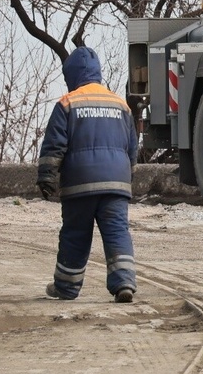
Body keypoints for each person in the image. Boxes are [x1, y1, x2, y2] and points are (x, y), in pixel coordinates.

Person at [37, 46, 140, 303]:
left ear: (71, 75)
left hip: (80, 184)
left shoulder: (67, 104)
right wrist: (128, 176)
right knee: (117, 232)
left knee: (75, 234)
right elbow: (132, 148)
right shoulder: (120, 105)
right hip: (116, 183)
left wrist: (46, 177)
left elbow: (54, 146)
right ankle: (124, 281)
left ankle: (66, 287)